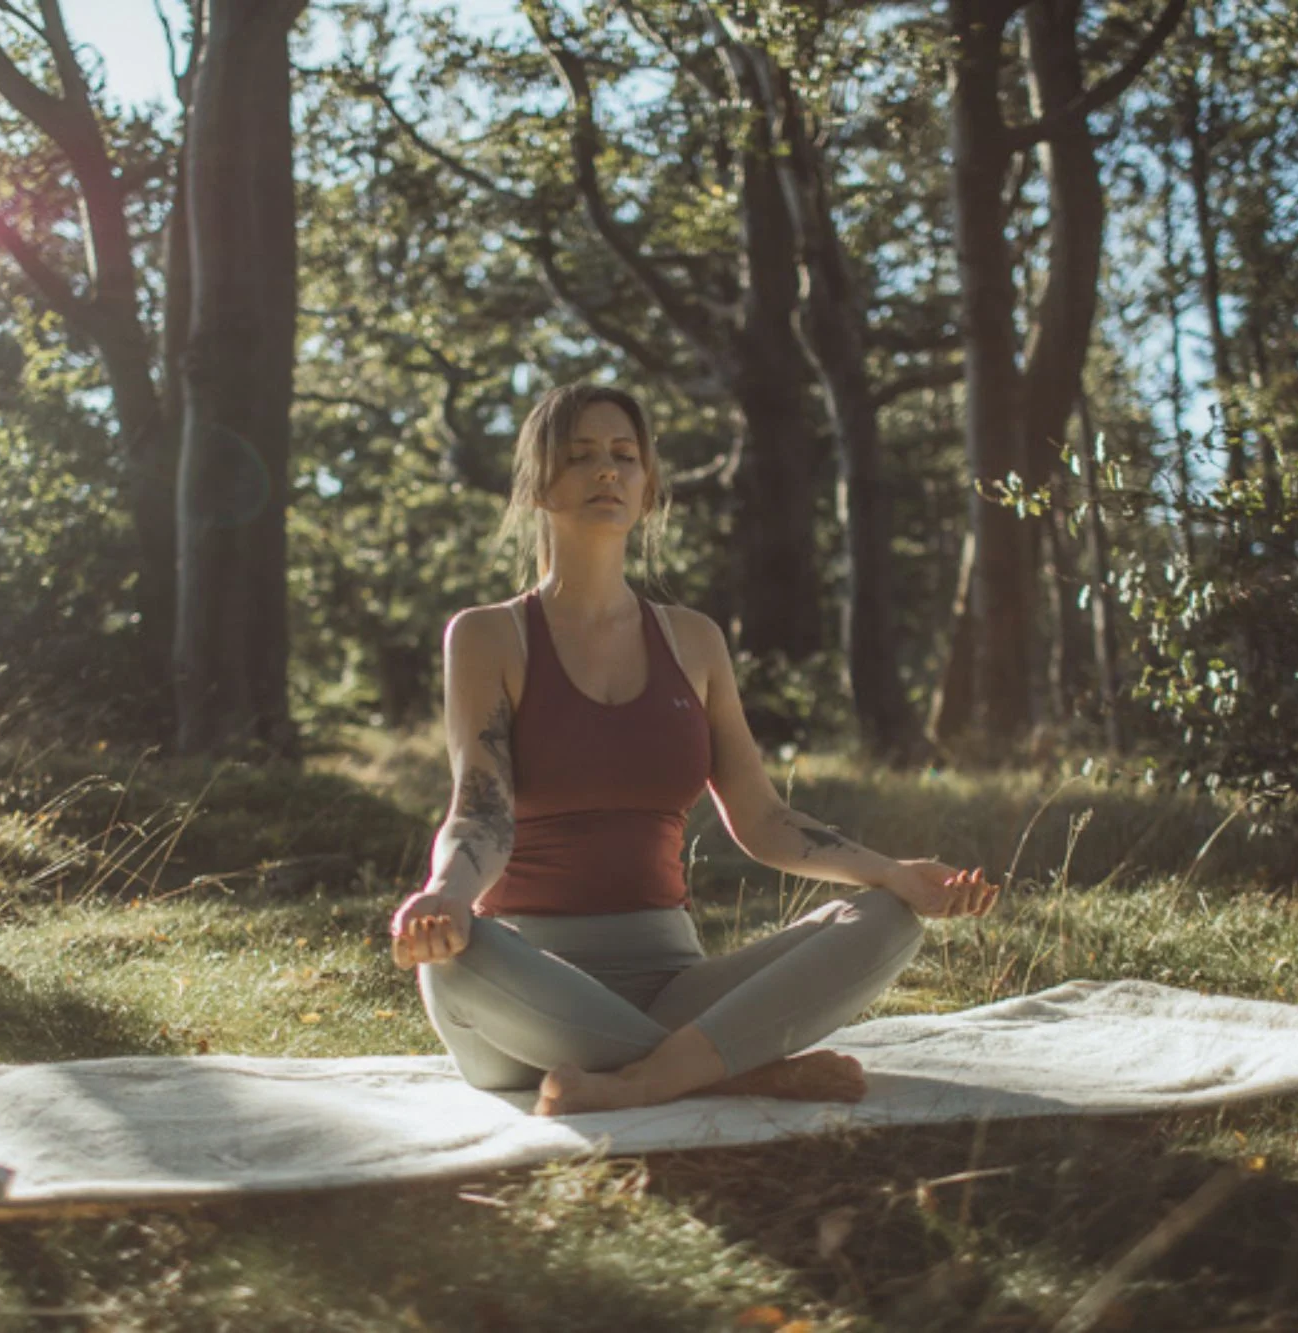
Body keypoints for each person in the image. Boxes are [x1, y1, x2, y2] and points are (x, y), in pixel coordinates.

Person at [388, 382, 999, 1117]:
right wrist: (446, 896)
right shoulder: (489, 636)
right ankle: (728, 1068)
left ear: (648, 487)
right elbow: (480, 811)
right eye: (580, 456)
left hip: (675, 981)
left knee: (889, 919)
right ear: (539, 485)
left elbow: (764, 818)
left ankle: (648, 1077)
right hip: (531, 986)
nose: (607, 471)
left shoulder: (694, 641)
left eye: (625, 456)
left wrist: (895, 873)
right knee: (456, 964)